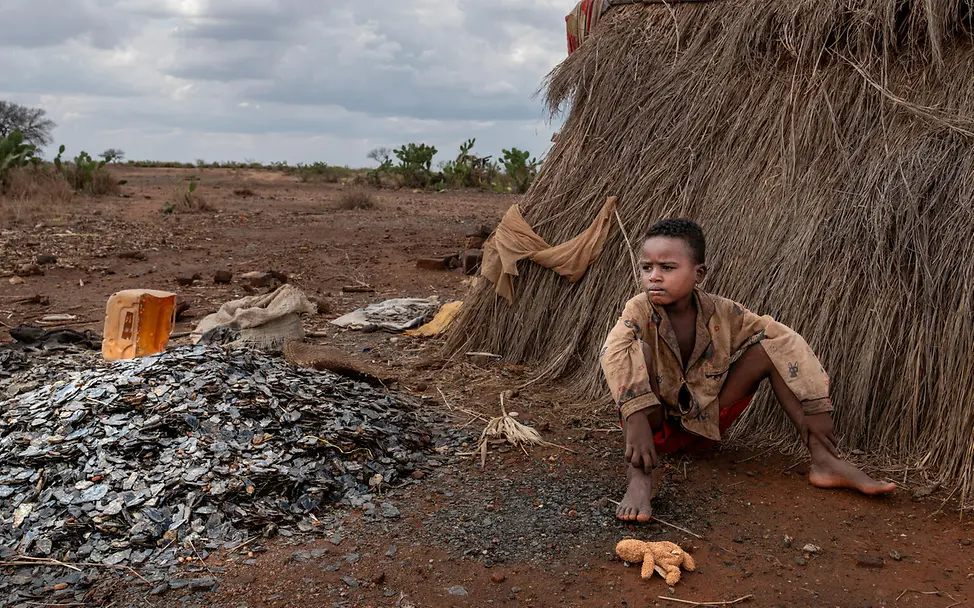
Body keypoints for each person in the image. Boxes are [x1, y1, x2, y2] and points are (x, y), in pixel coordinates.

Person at [600, 219, 895, 523]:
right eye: (646, 267)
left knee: (770, 347)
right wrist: (635, 416)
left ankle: (825, 460)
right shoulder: (639, 308)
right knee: (636, 349)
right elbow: (613, 350)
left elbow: (781, 336)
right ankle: (639, 478)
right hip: (650, 429)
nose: (654, 277)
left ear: (699, 273)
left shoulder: (724, 312)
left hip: (705, 424)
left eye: (667, 268)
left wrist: (815, 403)